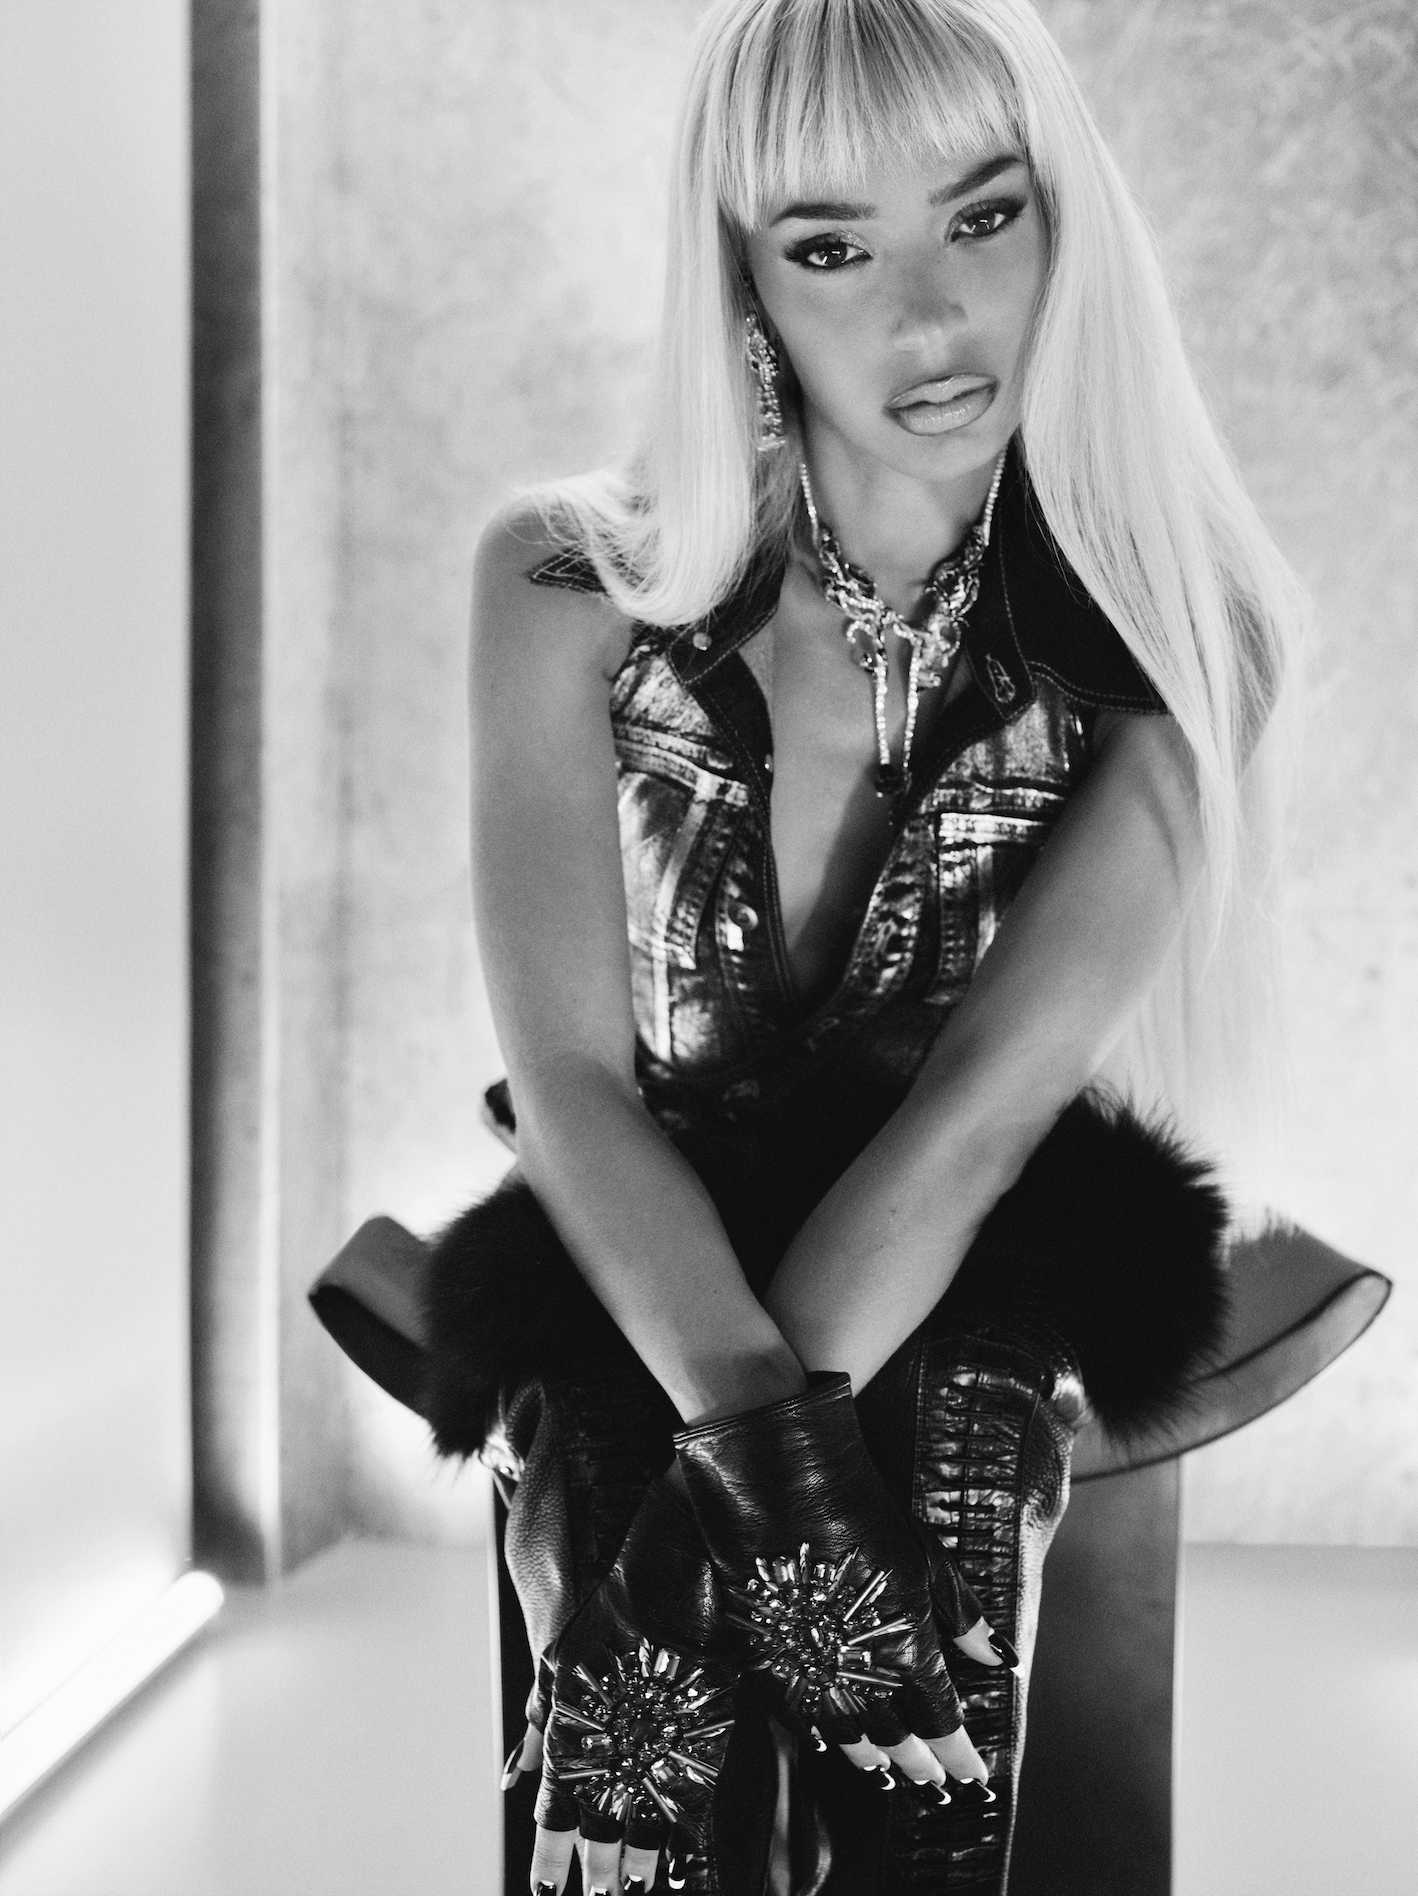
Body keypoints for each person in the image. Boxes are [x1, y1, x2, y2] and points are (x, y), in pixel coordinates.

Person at [441, 2, 1302, 1890]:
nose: (928, 316)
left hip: (982, 1219)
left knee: (933, 1491)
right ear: (738, 278)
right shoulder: (564, 582)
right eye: (831, 247)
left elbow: (980, 1111)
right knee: (594, 1455)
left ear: (1066, 223)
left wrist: (704, 1568)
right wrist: (758, 1483)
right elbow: (570, 1084)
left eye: (982, 217)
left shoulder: (1184, 621)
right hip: (647, 1202)